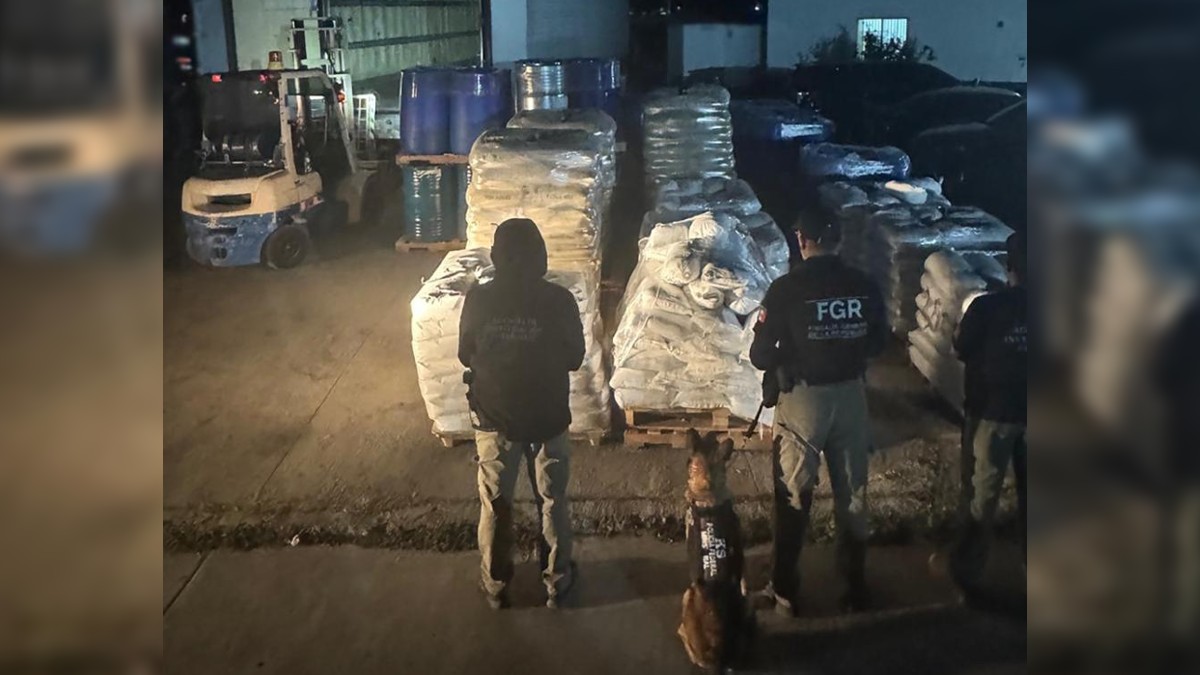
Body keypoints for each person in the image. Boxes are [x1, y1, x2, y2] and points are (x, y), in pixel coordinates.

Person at [749, 206, 888, 615]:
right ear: (839, 241)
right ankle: (854, 588)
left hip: (804, 402)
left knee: (793, 495)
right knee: (853, 496)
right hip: (850, 399)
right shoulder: (864, 285)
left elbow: (759, 354)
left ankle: (786, 591)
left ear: (801, 241)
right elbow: (879, 343)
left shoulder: (786, 289)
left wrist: (784, 363)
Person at [458, 218, 585, 610]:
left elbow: (465, 352)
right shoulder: (559, 300)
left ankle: (496, 585)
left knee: (496, 503)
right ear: (540, 256)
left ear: (497, 257)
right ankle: (557, 582)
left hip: (495, 418)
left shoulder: (479, 299)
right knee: (553, 499)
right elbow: (575, 358)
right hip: (548, 417)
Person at [936, 231, 1028, 603]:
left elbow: (962, 349)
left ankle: (968, 575)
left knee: (979, 498)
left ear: (1010, 266)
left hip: (992, 415)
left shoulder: (988, 308)